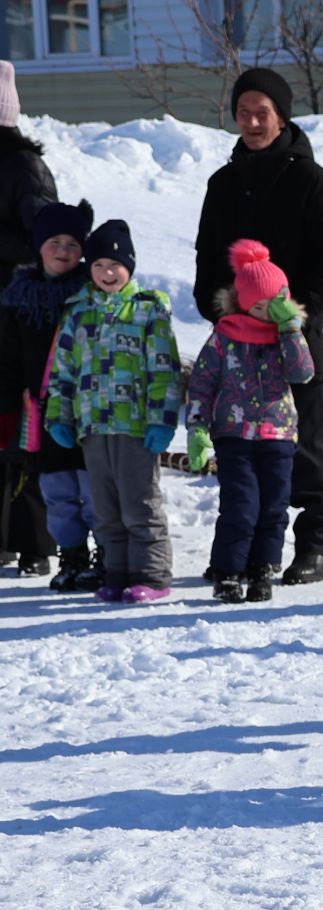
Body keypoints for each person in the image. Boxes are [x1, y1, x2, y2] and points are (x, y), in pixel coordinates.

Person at [194, 67, 323, 586]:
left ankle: (315, 546)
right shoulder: (223, 184)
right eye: (243, 112)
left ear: (281, 115)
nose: (251, 121)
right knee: (242, 458)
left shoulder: (314, 182)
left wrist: (301, 307)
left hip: (295, 342)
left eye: (261, 112)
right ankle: (245, 551)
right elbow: (206, 257)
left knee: (306, 448)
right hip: (239, 346)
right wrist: (217, 306)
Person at [46, 220, 180, 604]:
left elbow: (163, 371)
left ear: (129, 267)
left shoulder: (147, 311)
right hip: (93, 427)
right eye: (99, 265)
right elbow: (63, 370)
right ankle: (117, 574)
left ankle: (152, 577)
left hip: (136, 427)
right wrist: (60, 417)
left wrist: (162, 419)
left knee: (140, 505)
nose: (107, 273)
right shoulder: (78, 313)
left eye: (115, 266)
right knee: (105, 508)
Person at [184, 239, 315, 604]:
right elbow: (202, 382)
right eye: (255, 304)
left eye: (269, 304)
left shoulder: (286, 335)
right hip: (233, 434)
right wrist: (196, 427)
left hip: (278, 434)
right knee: (240, 505)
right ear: (241, 301)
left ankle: (262, 569)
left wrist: (291, 329)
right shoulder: (225, 336)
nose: (262, 312)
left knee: (274, 506)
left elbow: (303, 373)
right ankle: (227, 571)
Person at [0, 199, 95, 590]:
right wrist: (8, 401)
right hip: (34, 403)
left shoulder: (90, 293)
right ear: (38, 246)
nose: (62, 250)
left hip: (84, 403)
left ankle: (98, 552)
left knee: (89, 484)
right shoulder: (18, 296)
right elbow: (7, 355)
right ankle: (43, 549)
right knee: (40, 476)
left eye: (72, 243)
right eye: (54, 241)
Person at [0, 60, 58, 575]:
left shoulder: (23, 167)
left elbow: (50, 242)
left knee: (23, 426)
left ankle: (34, 539)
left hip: (16, 314)